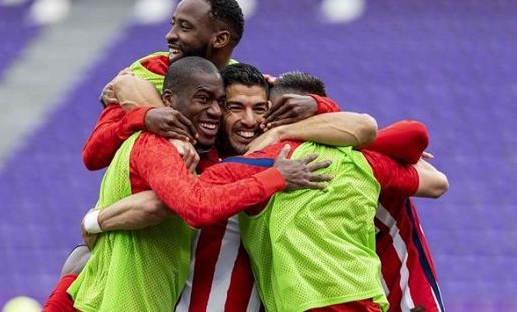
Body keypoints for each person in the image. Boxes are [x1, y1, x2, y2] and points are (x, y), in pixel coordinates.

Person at [66, 57, 331, 311]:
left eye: (259, 108)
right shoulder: (188, 160)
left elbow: (363, 127)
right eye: (234, 107)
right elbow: (173, 202)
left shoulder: (283, 157)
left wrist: (314, 105)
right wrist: (96, 221)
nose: (249, 120)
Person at [246, 71, 448, 311]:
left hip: (408, 298)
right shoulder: (288, 165)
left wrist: (291, 129)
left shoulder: (357, 157)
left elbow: (436, 180)